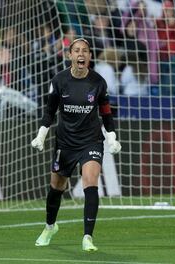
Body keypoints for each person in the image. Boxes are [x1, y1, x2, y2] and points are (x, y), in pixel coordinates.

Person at [30, 38, 121, 251]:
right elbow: (49, 112)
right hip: (65, 142)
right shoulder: (59, 80)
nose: (81, 54)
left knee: (90, 180)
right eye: (77, 50)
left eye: (85, 51)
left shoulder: (98, 82)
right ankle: (50, 226)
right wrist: (41, 135)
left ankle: (88, 237)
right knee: (56, 186)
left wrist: (112, 138)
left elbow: (106, 114)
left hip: (91, 140)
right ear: (70, 55)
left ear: (89, 56)